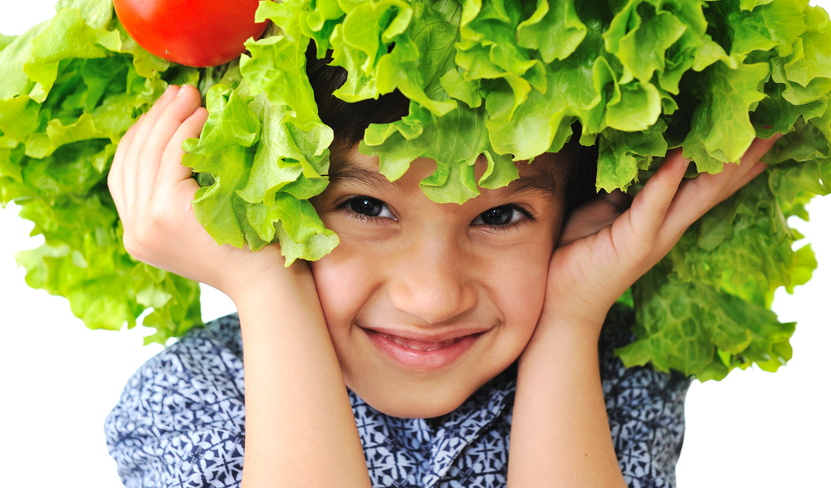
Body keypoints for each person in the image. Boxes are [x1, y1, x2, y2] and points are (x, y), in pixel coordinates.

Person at [103, 50, 777, 487]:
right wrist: (265, 283)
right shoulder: (191, 391)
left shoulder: (619, 378)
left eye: (502, 215)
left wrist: (570, 316)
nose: (431, 296)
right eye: (366, 204)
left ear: (578, 207)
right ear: (275, 197)